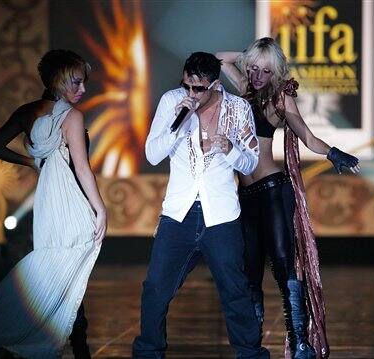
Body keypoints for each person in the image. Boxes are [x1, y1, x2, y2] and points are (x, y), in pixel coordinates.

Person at [0, 49, 106, 358]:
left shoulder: (27, 112)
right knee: (66, 267)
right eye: (76, 82)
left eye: (83, 83)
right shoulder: (71, 116)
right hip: (70, 199)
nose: (82, 90)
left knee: (59, 265)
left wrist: (31, 161)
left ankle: (74, 338)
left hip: (48, 200)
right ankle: (76, 341)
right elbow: (82, 168)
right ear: (57, 80)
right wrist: (100, 208)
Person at [216, 38, 360, 359]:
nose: (255, 75)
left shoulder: (281, 98)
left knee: (283, 267)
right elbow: (218, 60)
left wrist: (332, 152)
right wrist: (251, 56)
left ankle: (300, 343)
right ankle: (251, 347)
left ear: (275, 71)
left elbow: (306, 135)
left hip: (271, 190)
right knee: (250, 270)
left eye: (264, 71)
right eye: (253, 69)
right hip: (246, 196)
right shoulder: (244, 88)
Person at [132, 52, 269, 359]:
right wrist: (176, 123)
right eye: (187, 86)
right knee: (155, 288)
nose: (190, 94)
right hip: (178, 214)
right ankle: (148, 353)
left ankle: (251, 353)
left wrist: (230, 148)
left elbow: (250, 164)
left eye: (198, 89)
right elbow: (153, 154)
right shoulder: (172, 102)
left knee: (235, 291)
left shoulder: (238, 108)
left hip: (221, 216)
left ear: (215, 85)